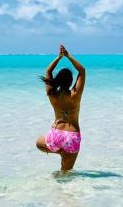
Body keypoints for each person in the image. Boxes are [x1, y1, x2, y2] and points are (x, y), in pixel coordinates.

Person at [36, 44, 86, 173]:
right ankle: (65, 191)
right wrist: (68, 55)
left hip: (56, 136)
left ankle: (60, 151)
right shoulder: (75, 95)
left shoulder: (52, 95)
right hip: (72, 136)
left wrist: (59, 57)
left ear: (57, 79)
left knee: (38, 143)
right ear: (70, 82)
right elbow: (82, 71)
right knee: (66, 172)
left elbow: (48, 72)